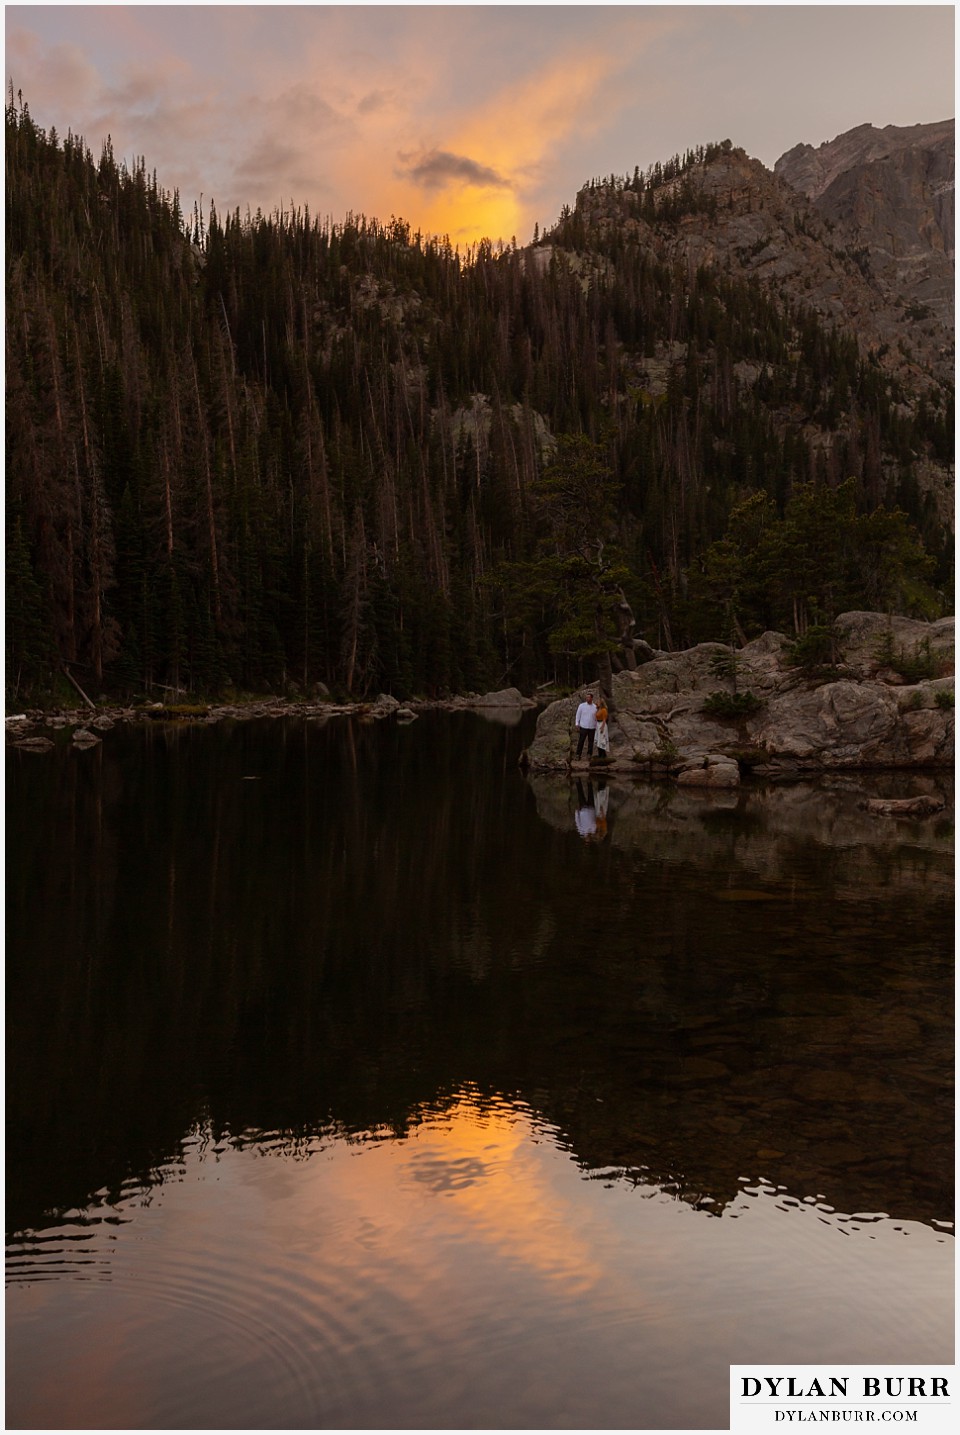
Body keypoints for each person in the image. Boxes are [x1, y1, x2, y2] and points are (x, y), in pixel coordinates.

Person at [573, 692, 597, 759]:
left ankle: (589, 754)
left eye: (589, 697)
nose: (587, 699)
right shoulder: (582, 706)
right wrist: (577, 723)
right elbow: (578, 715)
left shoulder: (595, 707)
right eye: (586, 697)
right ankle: (578, 754)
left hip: (592, 727)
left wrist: (597, 726)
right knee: (581, 741)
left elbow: (596, 718)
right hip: (583, 726)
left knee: (591, 742)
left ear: (592, 698)